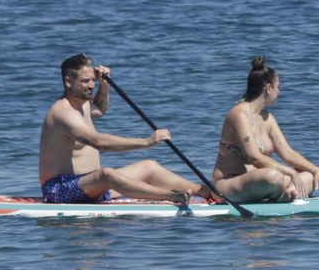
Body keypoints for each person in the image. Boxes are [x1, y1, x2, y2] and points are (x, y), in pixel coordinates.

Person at [38, 54, 215, 205]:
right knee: (106, 174)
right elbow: (97, 142)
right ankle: (173, 196)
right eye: (85, 81)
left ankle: (205, 192)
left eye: (93, 79)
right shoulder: (63, 113)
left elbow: (100, 109)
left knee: (149, 166)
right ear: (68, 82)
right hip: (59, 191)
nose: (91, 85)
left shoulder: (82, 104)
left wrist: (104, 85)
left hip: (92, 187)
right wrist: (147, 141)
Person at [212, 56, 319, 203]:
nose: (279, 92)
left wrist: (315, 169)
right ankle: (285, 194)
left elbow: (287, 153)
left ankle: (285, 194)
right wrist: (289, 172)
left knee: (310, 177)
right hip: (230, 184)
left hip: (264, 184)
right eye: (277, 87)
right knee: (274, 177)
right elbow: (254, 157)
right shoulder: (239, 115)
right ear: (268, 88)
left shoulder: (267, 117)